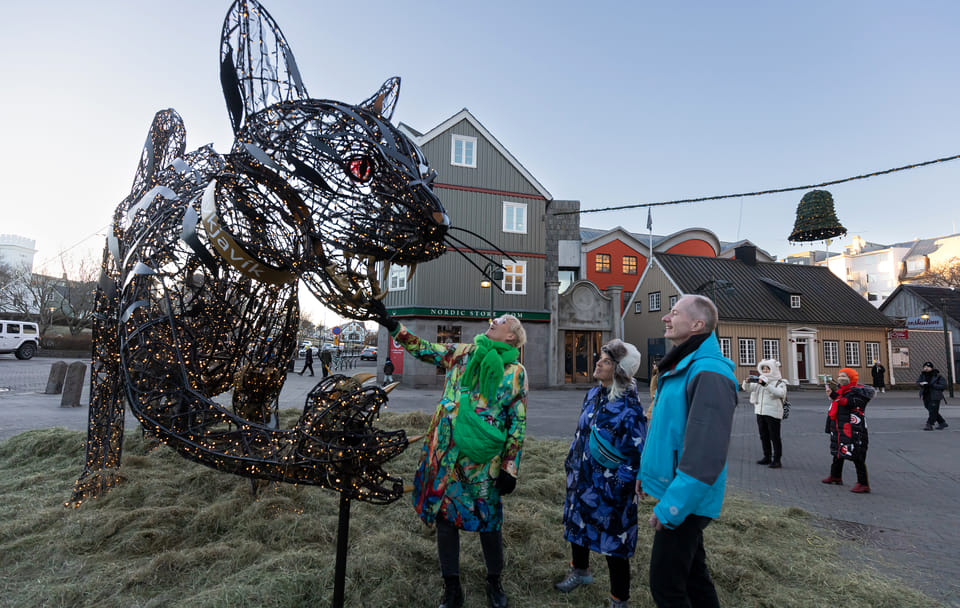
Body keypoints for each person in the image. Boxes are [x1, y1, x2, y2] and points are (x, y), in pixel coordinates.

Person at [371, 301, 527, 608]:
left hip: (483, 461)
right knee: (445, 518)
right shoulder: (463, 353)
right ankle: (451, 587)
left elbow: (517, 421)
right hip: (446, 454)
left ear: (512, 337)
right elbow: (424, 349)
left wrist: (510, 467)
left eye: (503, 320)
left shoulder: (515, 373)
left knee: (489, 521)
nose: (494, 320)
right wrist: (392, 326)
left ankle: (494, 581)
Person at [636, 295, 738, 608]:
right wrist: (645, 474)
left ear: (697, 324)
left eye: (674, 313)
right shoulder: (682, 365)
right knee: (694, 578)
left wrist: (673, 508)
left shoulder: (709, 372)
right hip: (680, 494)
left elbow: (705, 454)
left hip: (688, 501)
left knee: (666, 587)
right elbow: (665, 432)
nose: (665, 318)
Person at [555, 339, 645, 608]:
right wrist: (571, 463)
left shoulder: (630, 409)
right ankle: (580, 572)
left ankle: (619, 599)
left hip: (610, 490)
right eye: (600, 358)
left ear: (619, 370)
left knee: (615, 542)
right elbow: (580, 432)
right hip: (581, 479)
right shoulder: (593, 395)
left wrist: (617, 487)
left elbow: (634, 456)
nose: (597, 363)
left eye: (605, 361)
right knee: (577, 527)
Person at [821, 368, 873, 493]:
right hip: (839, 427)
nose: (841, 378)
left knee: (856, 455)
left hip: (853, 429)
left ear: (851, 378)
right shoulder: (841, 391)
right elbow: (834, 407)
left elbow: (849, 404)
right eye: (840, 376)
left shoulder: (858, 393)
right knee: (838, 452)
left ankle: (863, 483)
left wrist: (834, 396)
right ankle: (835, 476)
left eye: (844, 376)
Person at [741, 359, 787, 469]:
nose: (765, 370)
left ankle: (777, 459)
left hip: (773, 412)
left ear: (773, 369)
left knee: (774, 436)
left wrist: (766, 385)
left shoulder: (780, 382)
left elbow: (780, 393)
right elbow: (747, 389)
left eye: (767, 368)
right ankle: (767, 456)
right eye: (763, 368)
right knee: (763, 435)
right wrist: (746, 382)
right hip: (760, 411)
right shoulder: (759, 381)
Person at [917, 361, 949, 431]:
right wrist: (921, 384)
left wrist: (933, 385)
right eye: (925, 367)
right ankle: (942, 422)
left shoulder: (937, 376)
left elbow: (943, 385)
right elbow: (918, 382)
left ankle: (929, 424)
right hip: (926, 394)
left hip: (935, 395)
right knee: (931, 409)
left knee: (933, 409)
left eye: (928, 367)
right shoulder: (922, 375)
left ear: (931, 368)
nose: (926, 368)